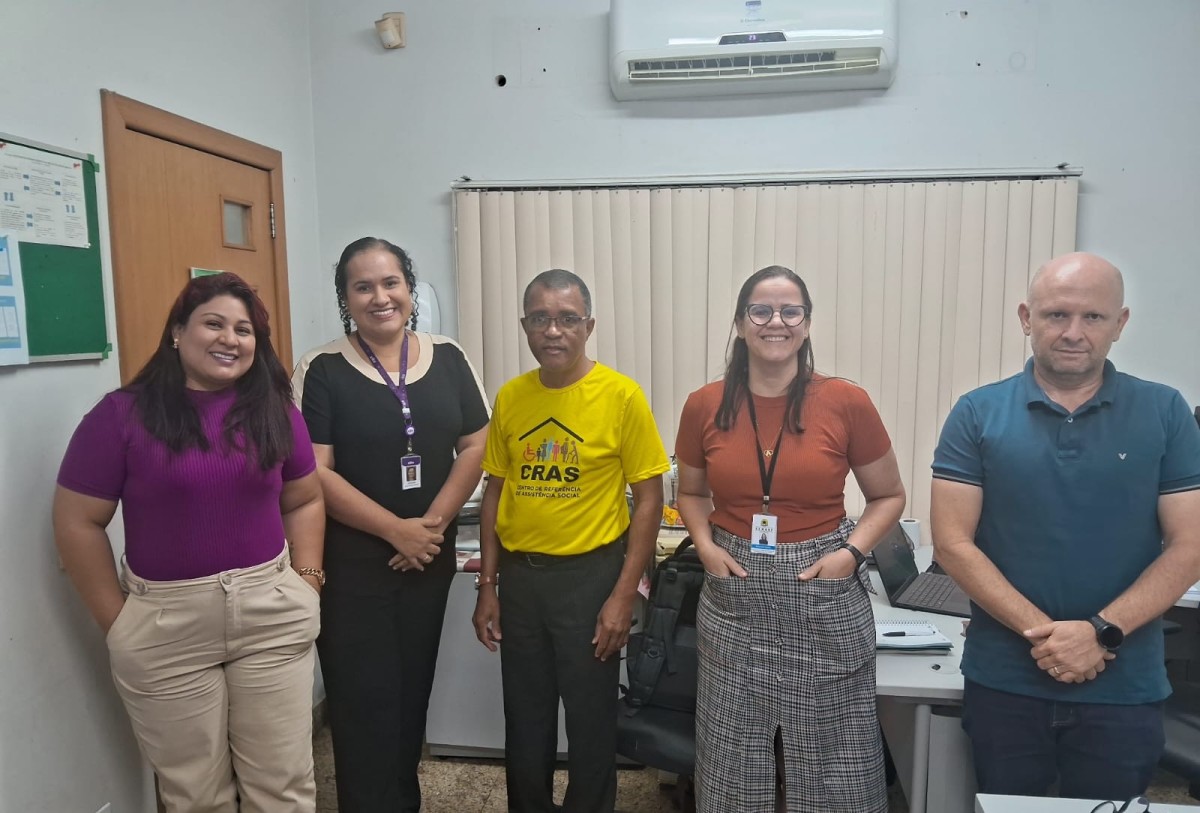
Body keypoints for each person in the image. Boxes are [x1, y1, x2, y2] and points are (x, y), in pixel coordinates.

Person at [931, 251, 1200, 800]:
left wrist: (1099, 632)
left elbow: (1190, 545)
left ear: (1119, 323)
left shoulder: (1166, 412)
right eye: (1057, 314)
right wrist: (1049, 638)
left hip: (1124, 687)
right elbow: (953, 543)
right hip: (1006, 682)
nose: (1073, 332)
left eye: (1093, 317)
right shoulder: (977, 413)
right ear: (1026, 317)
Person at [53, 272, 325, 812]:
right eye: (213, 324)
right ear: (177, 332)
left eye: (244, 330)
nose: (230, 339)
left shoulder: (276, 411)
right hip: (165, 625)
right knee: (196, 797)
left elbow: (305, 500)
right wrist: (118, 622)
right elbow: (76, 522)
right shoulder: (120, 416)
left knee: (284, 789)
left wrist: (309, 579)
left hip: (269, 612)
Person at [674, 265, 906, 813]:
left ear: (806, 323)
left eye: (789, 311)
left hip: (822, 584)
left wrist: (850, 555)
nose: (775, 322)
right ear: (740, 323)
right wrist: (705, 548)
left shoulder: (846, 401)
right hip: (735, 592)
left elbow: (889, 496)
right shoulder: (704, 404)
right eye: (760, 310)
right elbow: (691, 493)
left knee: (836, 759)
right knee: (732, 756)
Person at [293, 237, 489, 813]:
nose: (380, 297)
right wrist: (393, 530)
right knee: (362, 705)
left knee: (410, 698)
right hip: (354, 567)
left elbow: (477, 445)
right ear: (345, 298)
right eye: (363, 287)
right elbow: (314, 472)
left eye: (390, 282)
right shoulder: (322, 369)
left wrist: (429, 527)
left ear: (409, 288)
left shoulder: (449, 357)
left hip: (427, 558)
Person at [471, 269, 668, 813]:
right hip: (521, 580)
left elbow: (649, 501)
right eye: (540, 319)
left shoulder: (621, 396)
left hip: (590, 579)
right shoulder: (512, 397)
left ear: (589, 326)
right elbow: (494, 493)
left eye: (566, 319)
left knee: (590, 721)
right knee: (525, 718)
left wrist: (623, 596)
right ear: (525, 326)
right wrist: (487, 586)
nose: (553, 330)